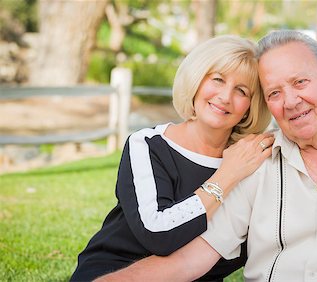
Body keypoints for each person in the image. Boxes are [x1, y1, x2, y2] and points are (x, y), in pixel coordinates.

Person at [95, 30, 317, 281]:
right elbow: (187, 262)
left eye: (300, 83)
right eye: (275, 92)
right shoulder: (254, 163)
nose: (291, 101)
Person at [70, 35, 274, 281]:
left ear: (250, 108)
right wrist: (226, 176)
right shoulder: (148, 144)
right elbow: (157, 233)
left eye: (241, 90)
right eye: (218, 79)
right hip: (115, 270)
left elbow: (239, 249)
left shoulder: (250, 159)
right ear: (197, 81)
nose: (225, 96)